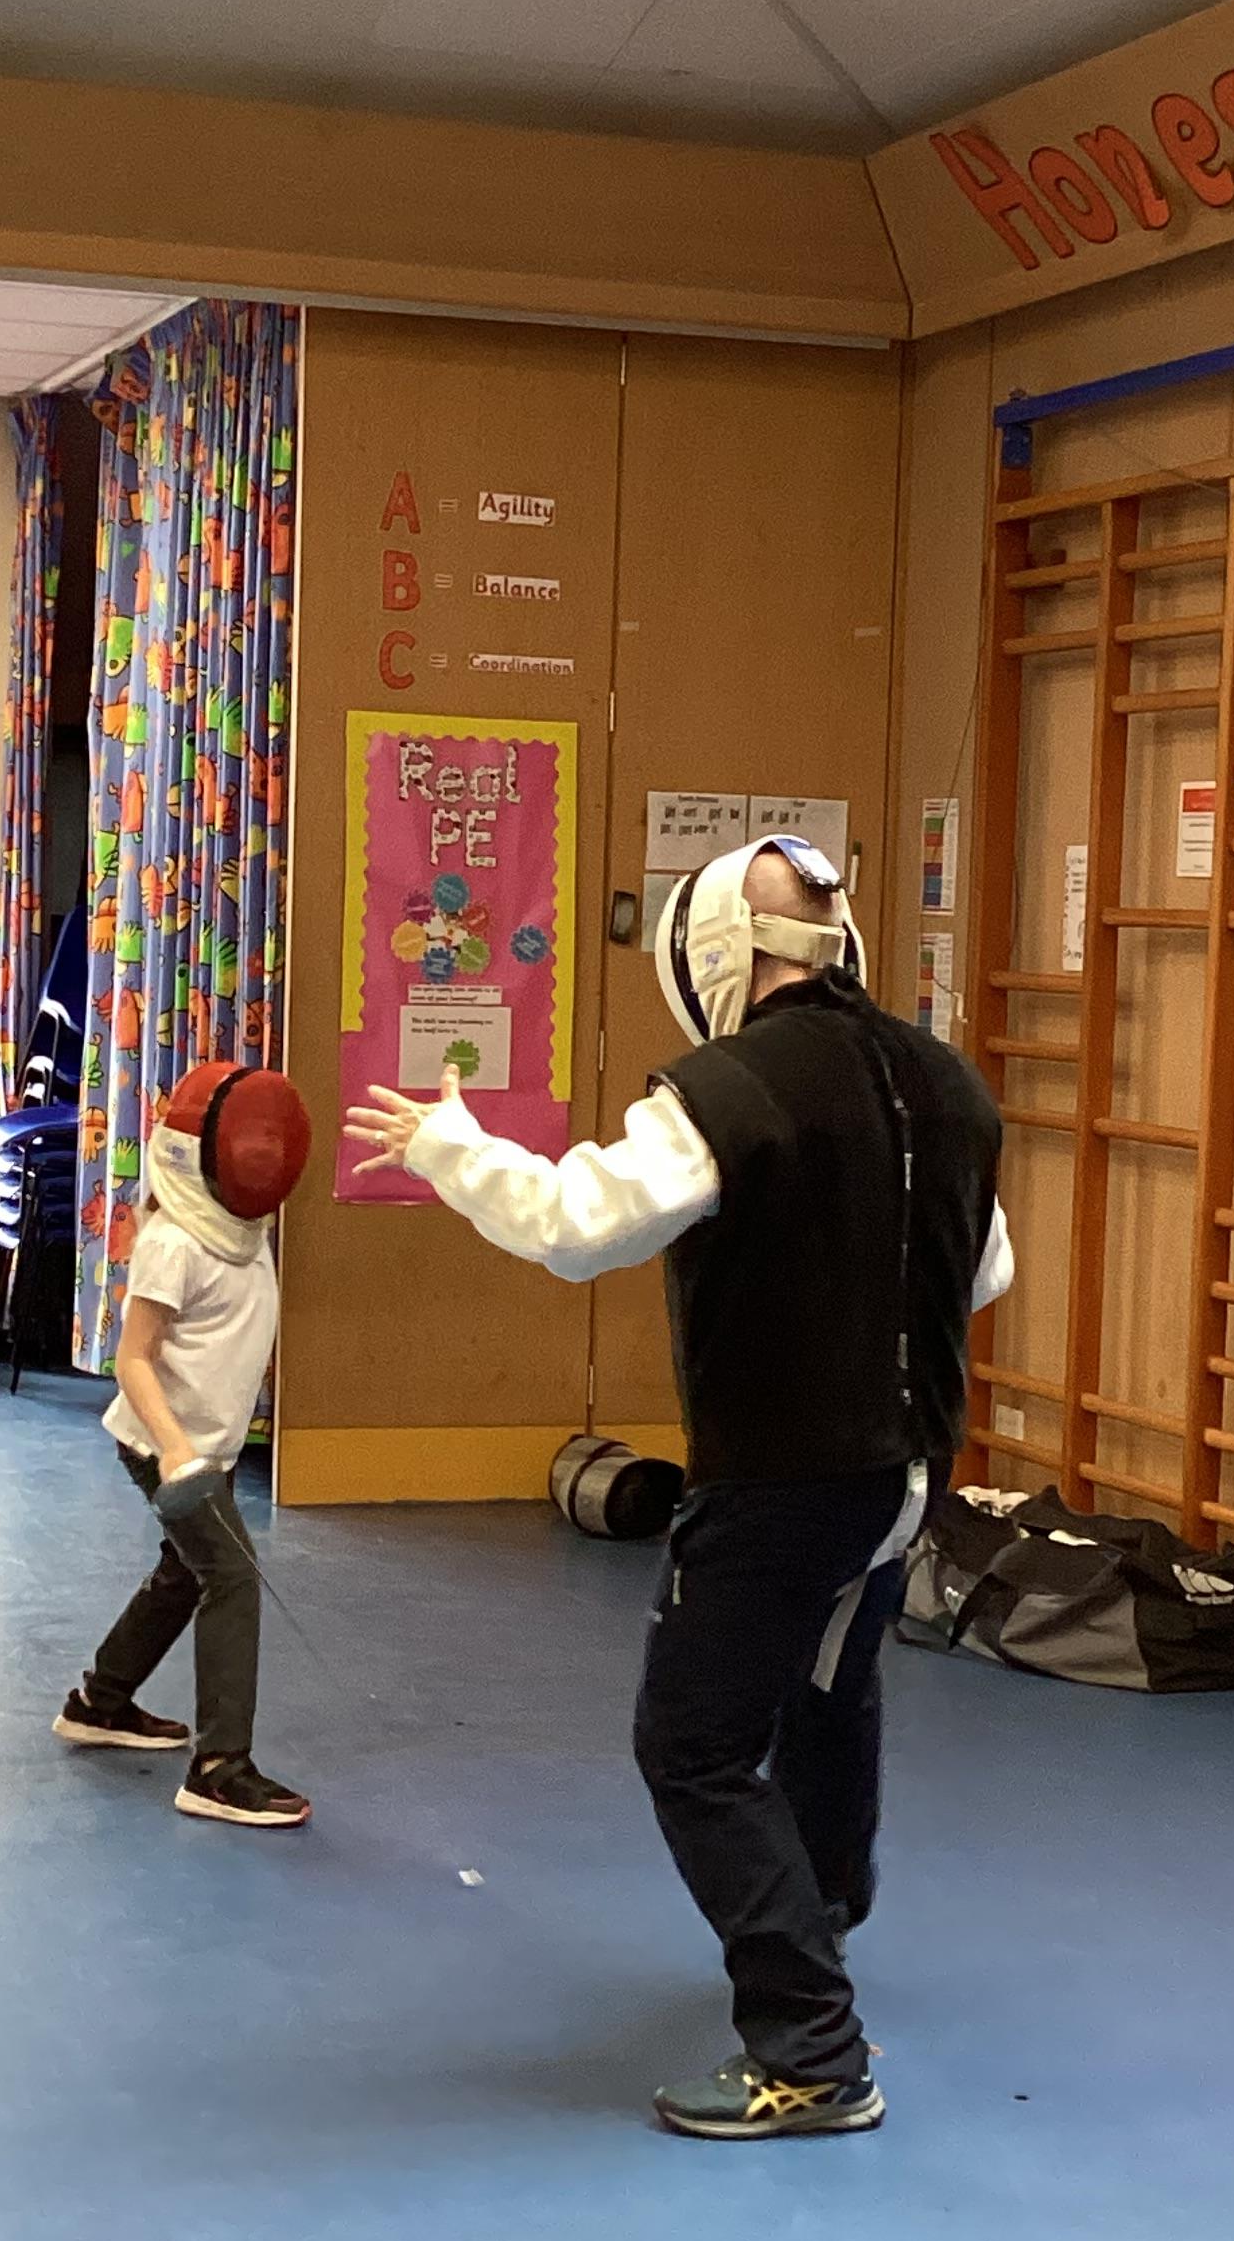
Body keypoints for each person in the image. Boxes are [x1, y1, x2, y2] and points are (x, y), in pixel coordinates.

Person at [345, 837, 1009, 2139]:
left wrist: (447, 1145)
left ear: (714, 952)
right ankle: (818, 1923)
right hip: (911, 1476)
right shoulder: (948, 1085)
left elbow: (574, 1225)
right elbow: (984, 1273)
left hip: (784, 1479)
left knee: (693, 1745)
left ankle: (812, 2053)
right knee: (828, 1691)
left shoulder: (727, 1091)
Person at [54, 1062, 314, 1830]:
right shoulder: (174, 1242)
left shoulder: (242, 1228)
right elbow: (133, 1359)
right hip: (165, 1447)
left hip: (209, 1451)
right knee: (231, 1576)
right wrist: (174, 1451)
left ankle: (100, 1703)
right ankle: (219, 1769)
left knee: (184, 1571)